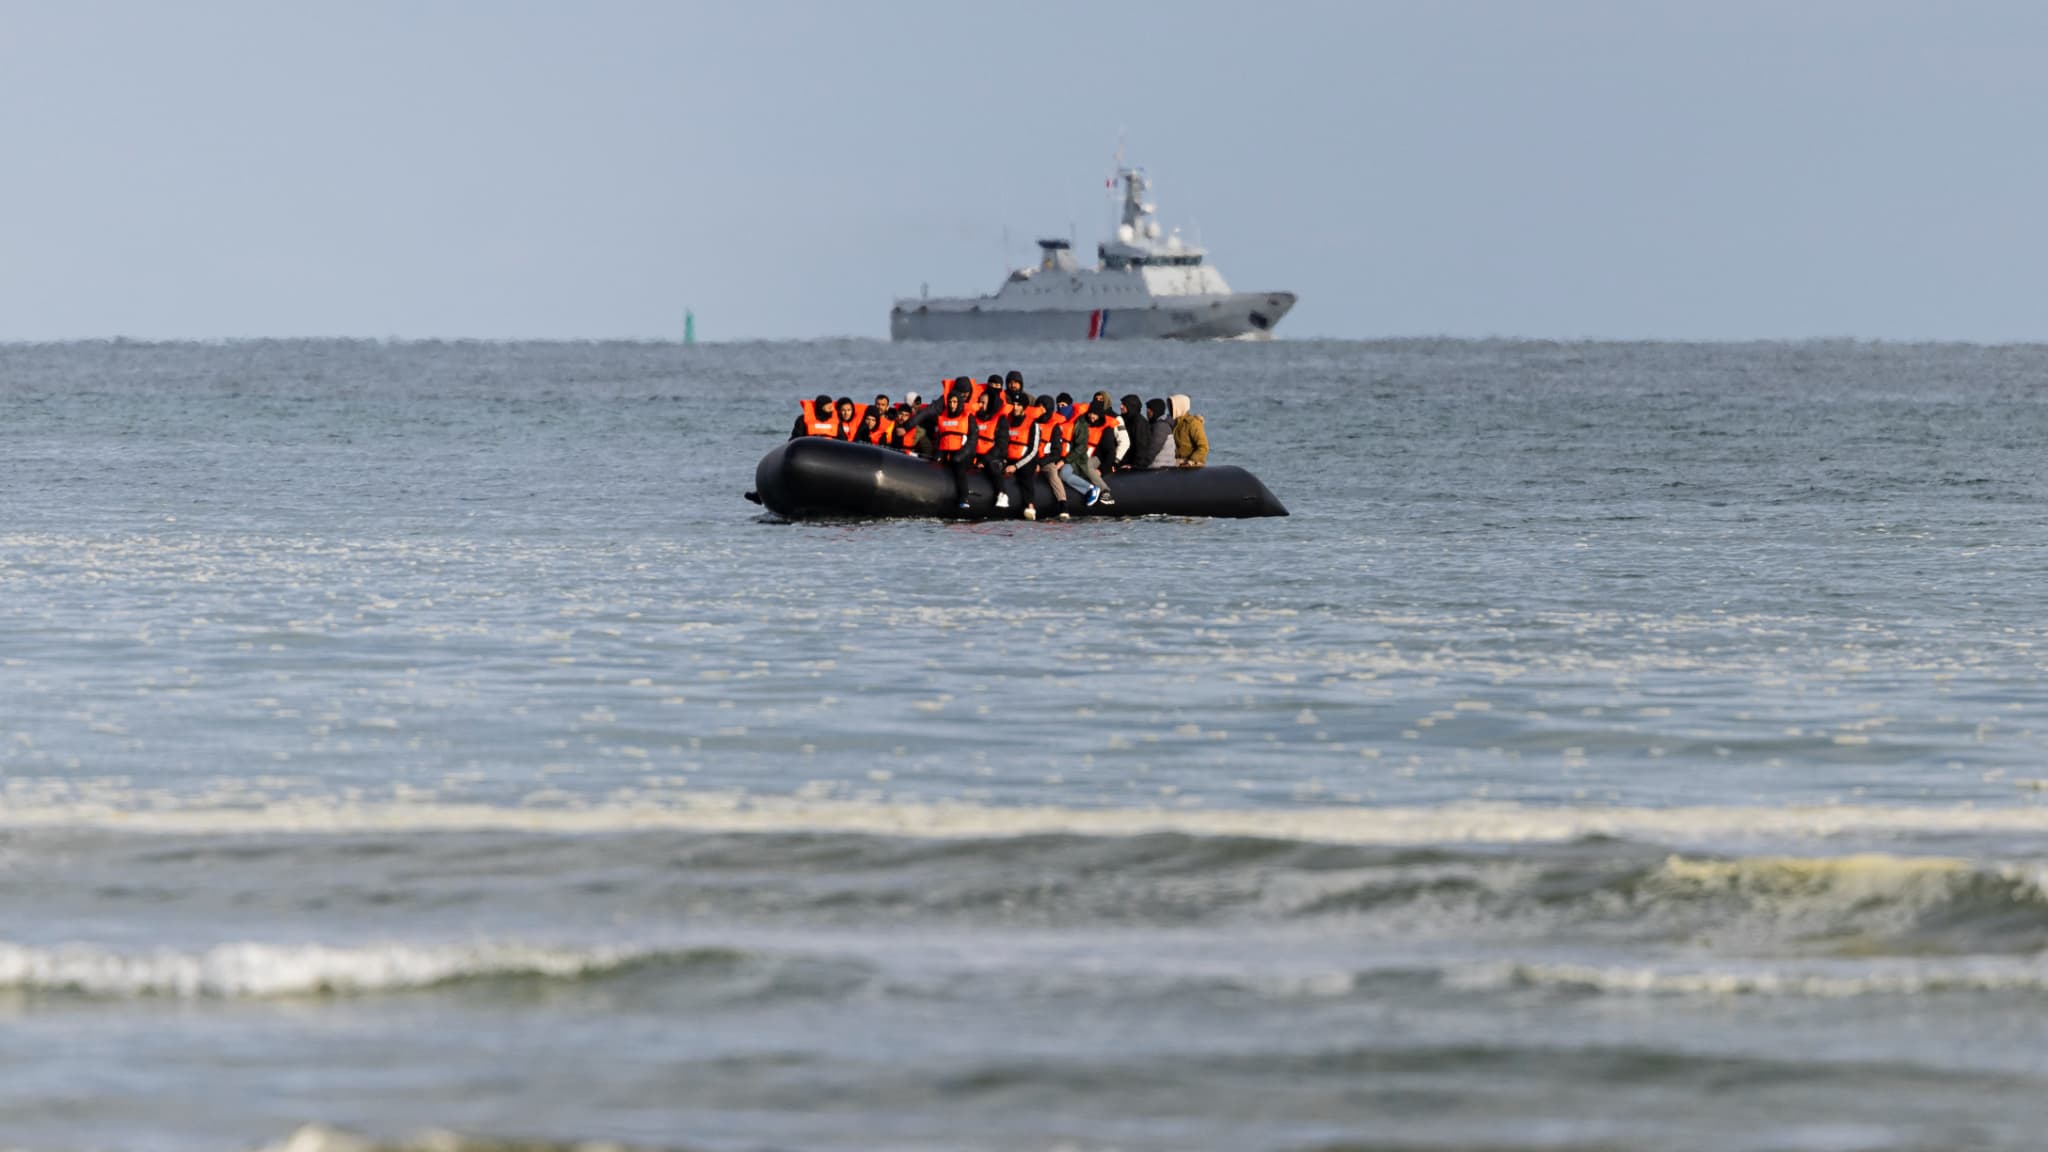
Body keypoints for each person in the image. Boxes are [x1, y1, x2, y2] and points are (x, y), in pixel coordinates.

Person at [991, 391, 1042, 519]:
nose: (1015, 407)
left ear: (1024, 407)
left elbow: (1033, 451)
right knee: (993, 466)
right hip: (1008, 458)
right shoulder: (1006, 421)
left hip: (1025, 460)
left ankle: (1030, 505)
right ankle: (1001, 495)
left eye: (1019, 405)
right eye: (1013, 404)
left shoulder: (1033, 424)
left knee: (1025, 474)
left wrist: (1016, 466)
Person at [1061, 395, 1118, 507]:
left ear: (1100, 415)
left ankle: (1105, 491)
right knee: (1063, 473)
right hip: (1077, 456)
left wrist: (1103, 470)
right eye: (1090, 413)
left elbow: (1110, 452)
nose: (1092, 416)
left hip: (1096, 458)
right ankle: (1090, 489)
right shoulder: (1082, 425)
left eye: (1095, 414)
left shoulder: (1106, 430)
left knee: (1086, 465)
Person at [931, 386, 978, 510]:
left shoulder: (968, 417)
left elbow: (973, 439)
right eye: (950, 402)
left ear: (959, 403)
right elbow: (940, 438)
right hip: (946, 449)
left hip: (963, 453)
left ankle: (964, 497)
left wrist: (962, 454)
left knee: (959, 467)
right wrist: (938, 454)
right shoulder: (942, 417)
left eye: (955, 402)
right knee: (934, 463)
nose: (952, 405)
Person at [1030, 393, 1071, 519]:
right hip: (1030, 459)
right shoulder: (1031, 423)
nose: (1040, 411)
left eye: (1043, 408)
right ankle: (1029, 505)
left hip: (1046, 461)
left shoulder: (1054, 427)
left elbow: (1056, 452)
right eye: (1038, 408)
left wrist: (1040, 463)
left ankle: (1062, 503)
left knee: (1053, 472)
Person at [1116, 394, 1152, 473]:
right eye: (1121, 404)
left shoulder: (1140, 423)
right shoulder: (1122, 420)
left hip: (1135, 466)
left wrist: (1135, 466)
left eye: (1124, 405)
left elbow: (1142, 447)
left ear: (1131, 406)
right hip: (1121, 462)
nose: (1121, 407)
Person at [1170, 393, 1208, 467]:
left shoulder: (1193, 424)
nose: (1170, 409)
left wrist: (1191, 461)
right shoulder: (1174, 423)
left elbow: (1203, 447)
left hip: (1192, 464)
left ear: (1180, 406)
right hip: (1177, 463)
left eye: (1172, 406)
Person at [1144, 398, 1175, 469]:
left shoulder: (1161, 427)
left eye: (1150, 409)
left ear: (1156, 410)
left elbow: (1153, 448)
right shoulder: (1155, 424)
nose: (1147, 411)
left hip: (1159, 465)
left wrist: (1141, 465)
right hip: (1159, 465)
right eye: (1147, 408)